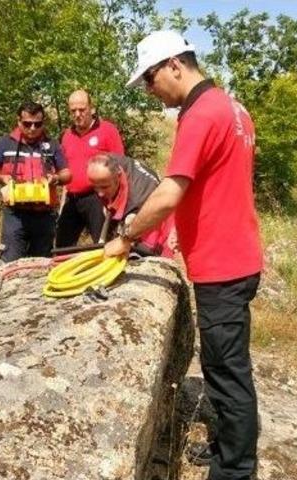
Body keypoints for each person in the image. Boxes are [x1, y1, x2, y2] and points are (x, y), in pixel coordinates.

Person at [104, 30, 264, 480]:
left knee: (228, 372)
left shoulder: (199, 115)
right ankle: (225, 449)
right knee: (222, 367)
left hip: (223, 263)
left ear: (174, 64)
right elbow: (219, 183)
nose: (152, 92)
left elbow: (171, 190)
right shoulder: (233, 107)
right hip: (235, 253)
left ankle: (234, 470)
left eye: (151, 80)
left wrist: (127, 234)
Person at [0, 101, 71, 261]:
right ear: (18, 121)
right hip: (15, 215)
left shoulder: (51, 145)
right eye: (27, 124)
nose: (32, 128)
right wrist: (1, 177)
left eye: (37, 124)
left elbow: (67, 173)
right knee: (10, 262)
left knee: (42, 264)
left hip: (44, 215)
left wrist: (56, 178)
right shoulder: (5, 142)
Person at [56, 90, 126, 247]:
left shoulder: (108, 130)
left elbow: (121, 166)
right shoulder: (67, 135)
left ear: (92, 108)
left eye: (82, 109)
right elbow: (65, 168)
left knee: (103, 246)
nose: (77, 114)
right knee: (61, 246)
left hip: (98, 198)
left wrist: (113, 202)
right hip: (72, 199)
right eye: (73, 111)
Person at [86, 153, 175, 258]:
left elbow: (129, 235)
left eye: (104, 187)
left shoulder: (138, 198)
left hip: (155, 218)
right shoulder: (111, 162)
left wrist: (123, 241)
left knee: (145, 252)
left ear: (118, 176)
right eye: (95, 187)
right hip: (133, 202)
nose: (99, 193)